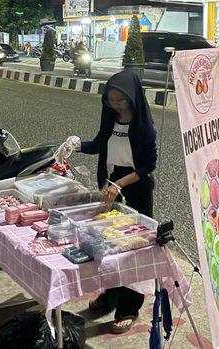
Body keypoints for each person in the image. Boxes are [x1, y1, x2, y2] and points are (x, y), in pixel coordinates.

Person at [61, 70, 157, 334]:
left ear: (133, 98)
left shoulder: (143, 126)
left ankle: (129, 306)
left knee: (130, 248)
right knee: (107, 243)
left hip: (135, 188)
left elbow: (147, 166)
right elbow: (99, 145)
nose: (116, 105)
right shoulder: (112, 119)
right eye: (111, 100)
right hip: (112, 183)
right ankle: (110, 296)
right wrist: (77, 144)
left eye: (121, 100)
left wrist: (118, 185)